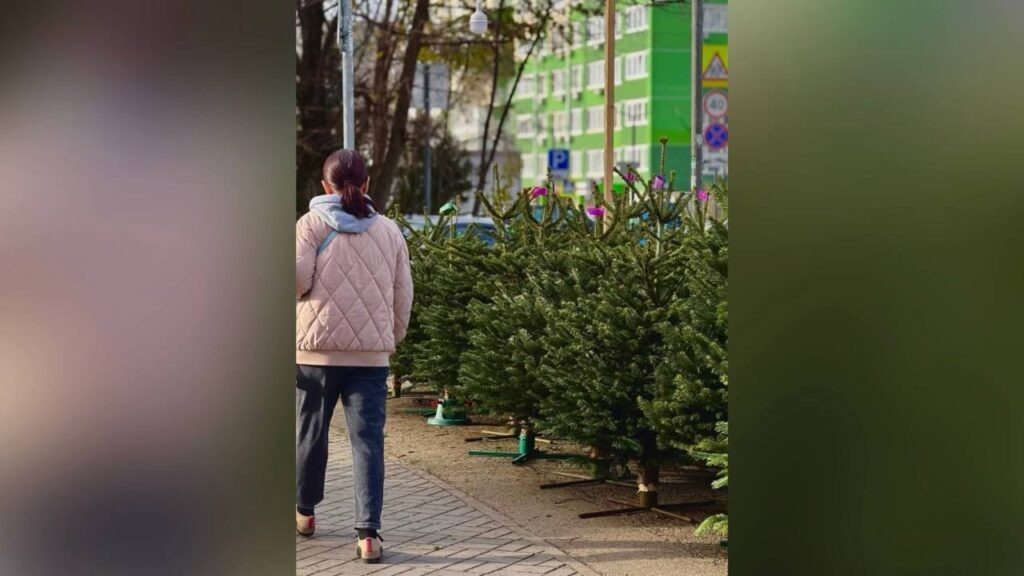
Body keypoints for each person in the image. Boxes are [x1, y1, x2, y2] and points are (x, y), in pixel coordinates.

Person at [295, 149, 413, 564]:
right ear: (366, 184)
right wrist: (388, 339)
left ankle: (305, 513)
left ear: (324, 185)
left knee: (311, 434)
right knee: (368, 443)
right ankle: (368, 535)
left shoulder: (309, 225)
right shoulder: (389, 231)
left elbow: (296, 282)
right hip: (370, 358)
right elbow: (403, 294)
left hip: (315, 355)